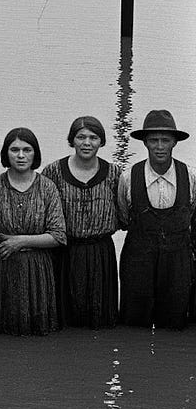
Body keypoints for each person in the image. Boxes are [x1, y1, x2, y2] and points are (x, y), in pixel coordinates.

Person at [43, 116, 122, 329]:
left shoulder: (115, 173)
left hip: (101, 253)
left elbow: (123, 213)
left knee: (101, 316)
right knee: (66, 316)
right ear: (72, 140)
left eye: (93, 137)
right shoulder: (53, 172)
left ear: (101, 142)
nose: (87, 143)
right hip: (66, 252)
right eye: (81, 137)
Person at [117, 109, 192, 331]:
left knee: (175, 322)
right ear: (145, 143)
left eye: (165, 140)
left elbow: (192, 212)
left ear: (174, 143)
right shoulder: (129, 177)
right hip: (138, 258)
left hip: (177, 260)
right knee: (134, 323)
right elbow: (123, 216)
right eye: (154, 140)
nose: (159, 146)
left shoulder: (190, 176)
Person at [0, 129, 65, 336]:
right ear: (6, 153)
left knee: (37, 331)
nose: (21, 155)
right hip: (4, 268)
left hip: (37, 270)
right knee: (3, 332)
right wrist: (3, 240)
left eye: (27, 150)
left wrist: (20, 241)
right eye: (15, 150)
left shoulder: (47, 187)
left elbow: (58, 235)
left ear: (35, 153)